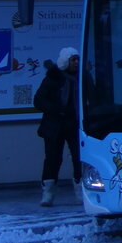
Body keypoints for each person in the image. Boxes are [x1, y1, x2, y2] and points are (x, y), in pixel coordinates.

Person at [33, 46, 81, 207]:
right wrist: (56, 109)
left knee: (79, 157)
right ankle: (48, 193)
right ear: (65, 61)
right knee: (53, 159)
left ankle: (81, 192)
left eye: (77, 59)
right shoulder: (53, 78)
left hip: (74, 123)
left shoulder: (83, 77)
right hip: (54, 125)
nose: (76, 63)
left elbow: (93, 96)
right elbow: (38, 100)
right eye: (73, 59)